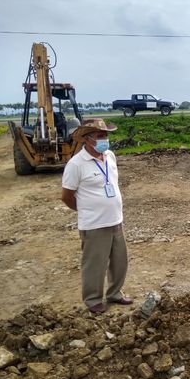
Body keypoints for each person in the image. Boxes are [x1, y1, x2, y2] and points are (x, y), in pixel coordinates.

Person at [61, 119, 133, 314]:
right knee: (95, 264)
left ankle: (115, 293)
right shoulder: (76, 164)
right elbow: (66, 196)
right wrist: (86, 210)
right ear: (87, 139)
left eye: (106, 135)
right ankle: (93, 299)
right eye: (100, 136)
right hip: (94, 224)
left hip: (115, 220)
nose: (105, 139)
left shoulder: (109, 156)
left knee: (119, 262)